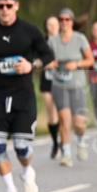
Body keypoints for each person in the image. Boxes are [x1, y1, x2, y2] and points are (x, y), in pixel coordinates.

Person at [0, 0, 53, 192]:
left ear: (17, 6)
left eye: (9, 5)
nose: (4, 10)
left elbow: (47, 55)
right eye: (0, 6)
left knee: (21, 146)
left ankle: (28, 171)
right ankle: (10, 191)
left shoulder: (29, 31)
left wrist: (32, 64)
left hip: (23, 95)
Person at [46, 8, 94, 166]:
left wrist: (77, 64)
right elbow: (46, 59)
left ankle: (81, 140)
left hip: (77, 84)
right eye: (61, 20)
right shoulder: (52, 41)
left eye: (67, 20)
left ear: (72, 22)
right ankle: (66, 154)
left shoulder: (80, 38)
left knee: (79, 123)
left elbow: (90, 60)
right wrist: (50, 64)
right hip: (59, 85)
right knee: (64, 120)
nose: (64, 22)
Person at [41, 16, 62, 158]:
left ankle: (64, 142)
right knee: (52, 114)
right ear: (46, 27)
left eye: (55, 24)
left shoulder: (65, 42)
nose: (53, 27)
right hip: (47, 81)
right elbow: (35, 60)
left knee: (63, 113)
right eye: (50, 24)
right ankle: (56, 142)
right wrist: (46, 64)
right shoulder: (42, 43)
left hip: (63, 81)